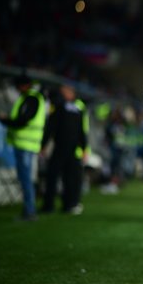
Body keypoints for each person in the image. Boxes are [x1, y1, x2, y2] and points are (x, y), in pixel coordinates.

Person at [0, 74, 46, 221]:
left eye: (18, 86)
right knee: (25, 178)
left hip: (25, 144)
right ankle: (29, 210)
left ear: (24, 85)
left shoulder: (31, 98)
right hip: (27, 144)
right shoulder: (32, 98)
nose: (17, 89)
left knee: (25, 178)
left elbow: (24, 120)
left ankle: (30, 212)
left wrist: (7, 122)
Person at [40, 83, 90, 215]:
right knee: (69, 179)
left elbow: (51, 127)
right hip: (73, 148)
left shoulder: (58, 106)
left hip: (61, 147)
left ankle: (49, 205)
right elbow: (82, 131)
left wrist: (43, 145)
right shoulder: (77, 109)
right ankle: (69, 205)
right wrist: (84, 148)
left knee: (52, 176)